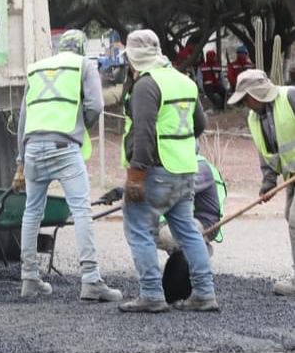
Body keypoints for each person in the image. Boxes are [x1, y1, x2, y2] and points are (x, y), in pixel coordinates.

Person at [12, 29, 122, 302]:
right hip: (64, 148)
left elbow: (23, 119)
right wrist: (79, 126)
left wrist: (20, 160)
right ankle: (91, 280)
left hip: (33, 147)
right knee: (82, 210)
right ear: (82, 48)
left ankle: (29, 278)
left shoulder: (36, 69)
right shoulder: (84, 65)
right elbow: (95, 105)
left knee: (32, 212)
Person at [119, 29, 218, 313]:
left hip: (155, 172)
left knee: (140, 229)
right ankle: (204, 293)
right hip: (185, 169)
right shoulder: (184, 81)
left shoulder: (146, 86)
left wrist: (136, 175)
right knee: (188, 231)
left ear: (133, 58)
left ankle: (151, 294)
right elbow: (200, 124)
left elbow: (144, 134)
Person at [227, 69, 295, 295]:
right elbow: (266, 154)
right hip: (291, 177)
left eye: (246, 98)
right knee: (289, 216)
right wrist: (268, 183)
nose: (245, 103)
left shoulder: (290, 97)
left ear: (256, 94)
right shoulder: (254, 118)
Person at [157, 154, 227, 255]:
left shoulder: (199, 167)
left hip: (205, 224)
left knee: (165, 234)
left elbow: (178, 192)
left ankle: (200, 252)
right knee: (150, 230)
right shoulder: (182, 164)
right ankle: (181, 255)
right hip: (185, 219)